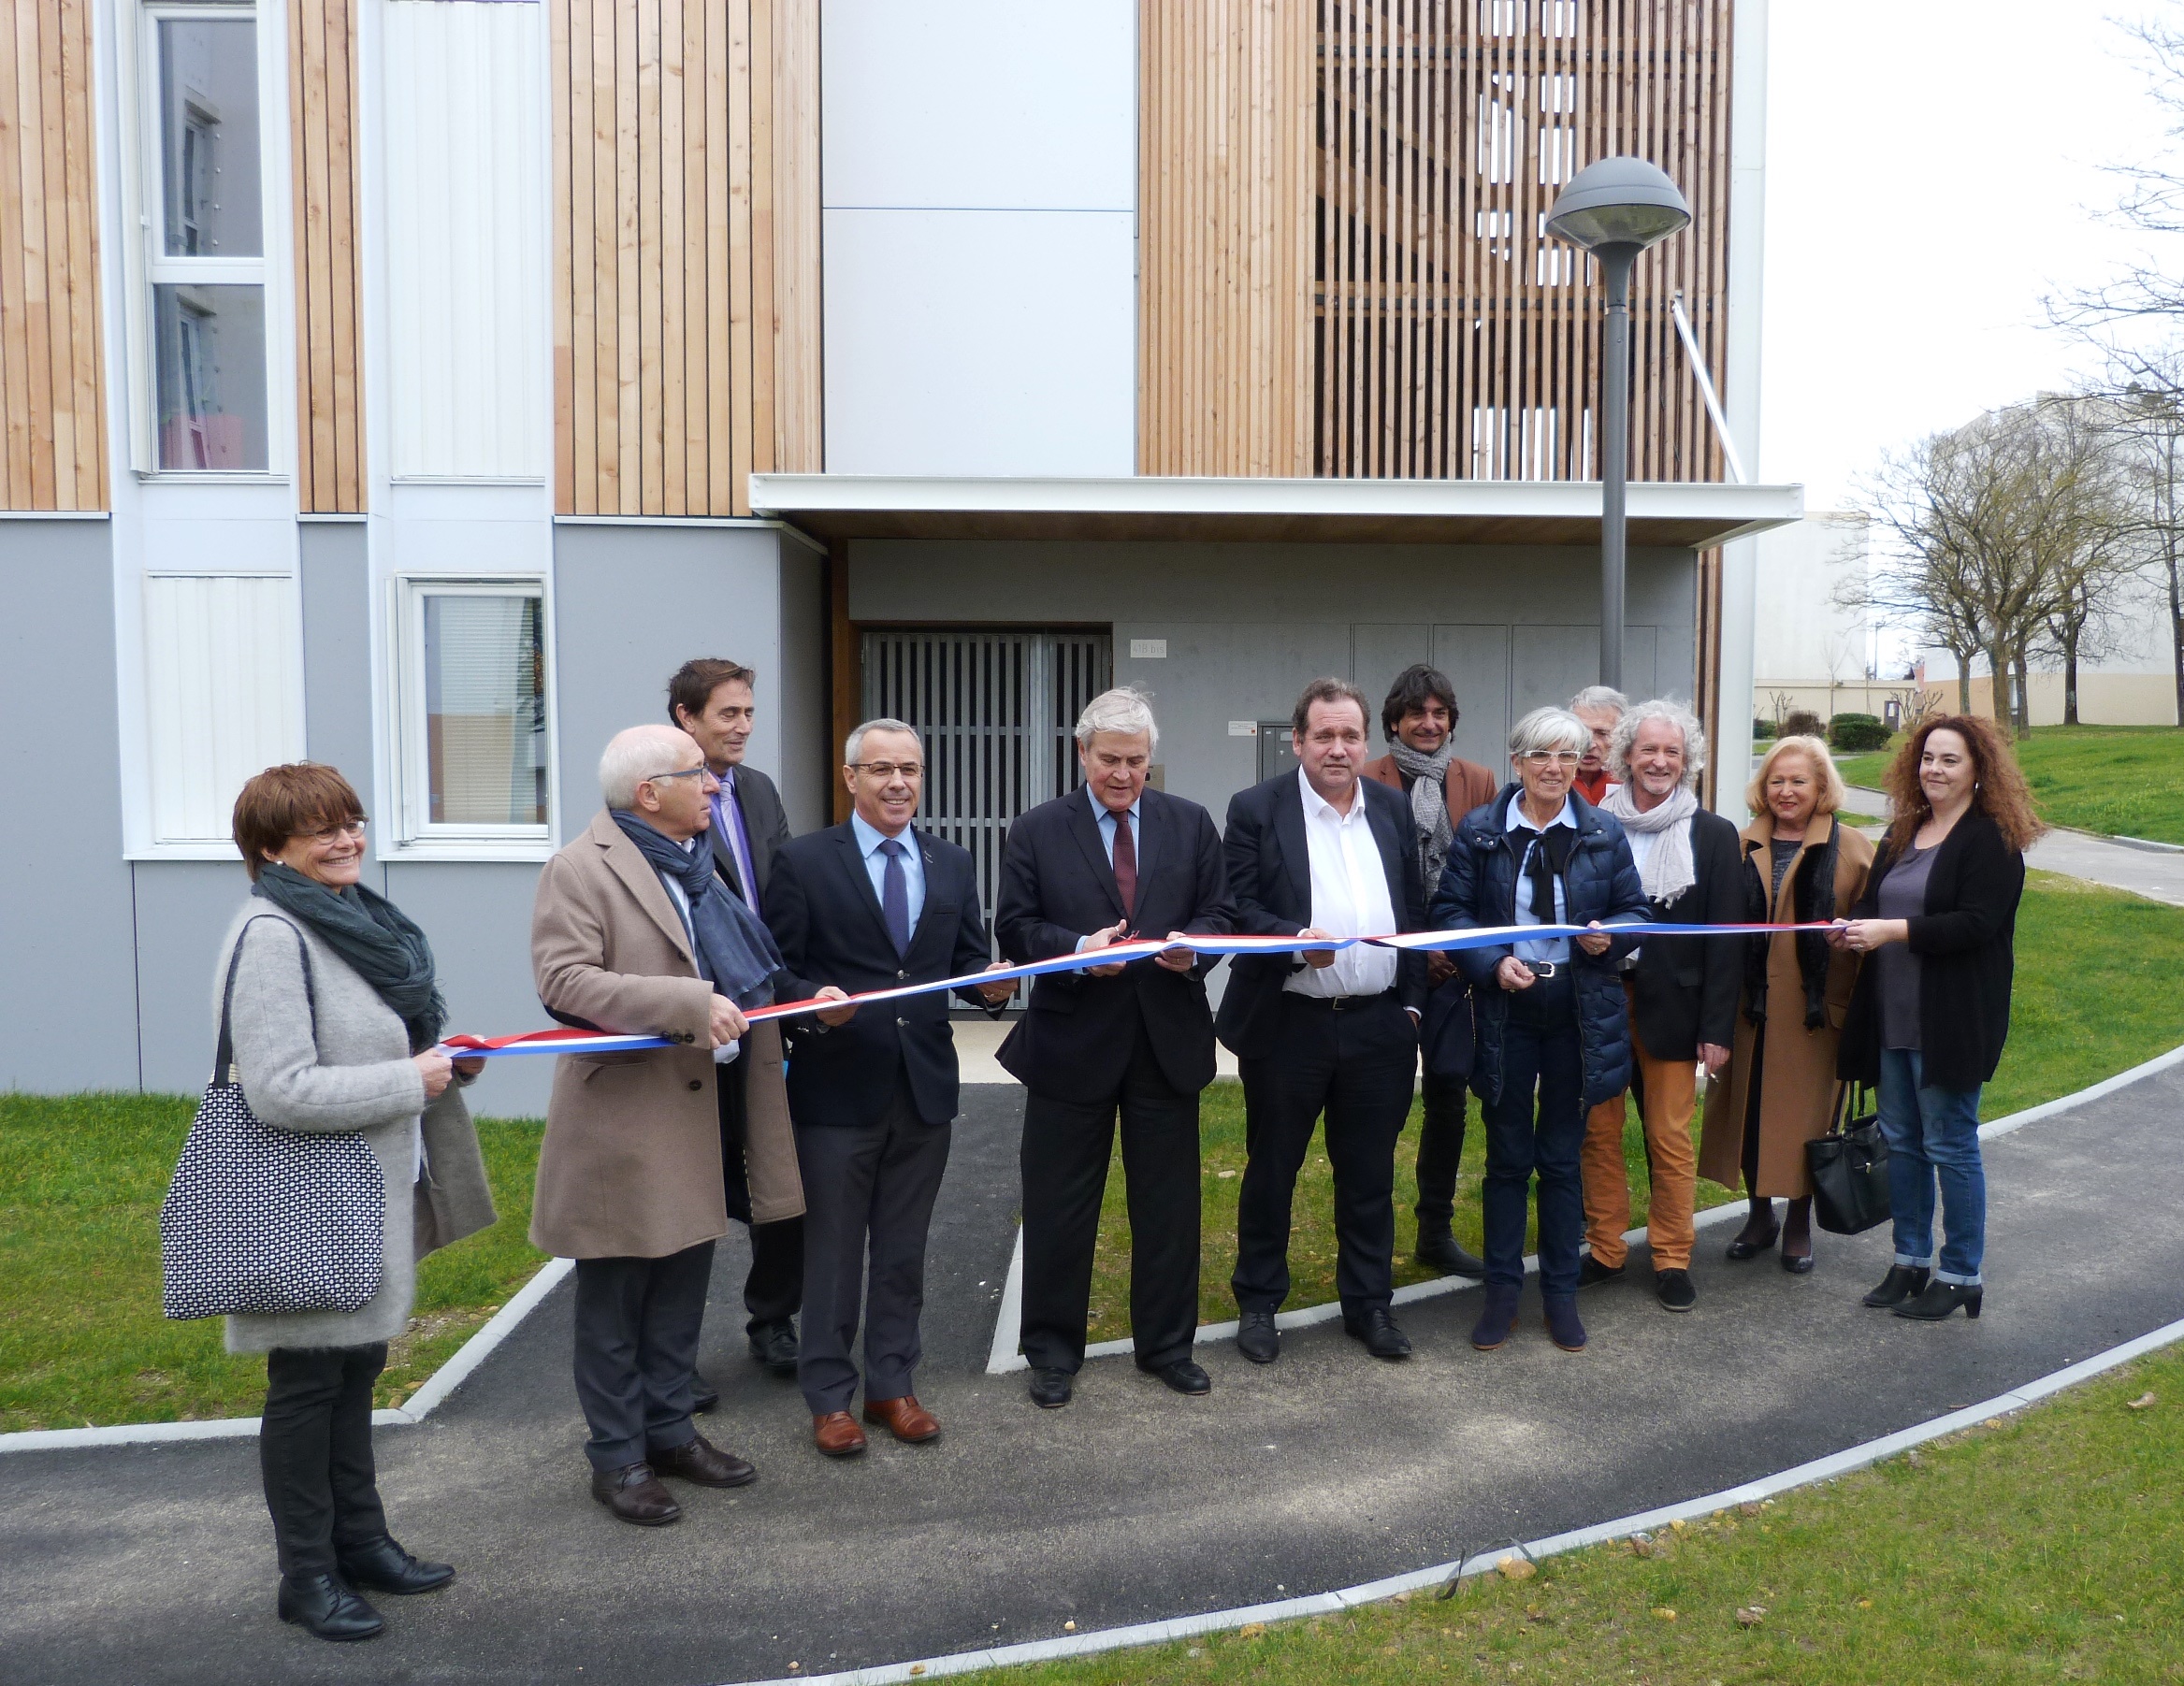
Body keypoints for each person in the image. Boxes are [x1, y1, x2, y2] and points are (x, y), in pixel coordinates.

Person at [218, 763, 495, 1641]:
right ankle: (306, 1573)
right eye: (320, 830)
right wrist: (411, 1076)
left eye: (352, 821)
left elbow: (373, 1038)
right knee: (306, 1381)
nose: (347, 840)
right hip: (307, 1200)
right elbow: (279, 1088)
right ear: (271, 850)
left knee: (354, 1367)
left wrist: (443, 1056)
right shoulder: (272, 933)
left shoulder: (352, 920)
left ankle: (361, 1542)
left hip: (366, 1191)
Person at [531, 725, 813, 1526]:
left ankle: (670, 1432)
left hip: (704, 1105)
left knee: (683, 1281)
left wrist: (803, 997)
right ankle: (616, 1457)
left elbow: (744, 961)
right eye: (698, 775)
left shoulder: (699, 866)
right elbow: (563, 980)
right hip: (626, 1117)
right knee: (618, 1293)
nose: (716, 786)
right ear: (648, 791)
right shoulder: (580, 867)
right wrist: (687, 1005)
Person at [767, 719, 1018, 1456]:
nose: (898, 782)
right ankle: (827, 1398)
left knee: (904, 1251)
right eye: (880, 768)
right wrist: (812, 998)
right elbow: (775, 970)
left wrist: (995, 990)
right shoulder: (805, 861)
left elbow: (966, 964)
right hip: (835, 1091)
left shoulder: (951, 862)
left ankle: (891, 1387)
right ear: (850, 778)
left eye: (909, 768)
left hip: (923, 1092)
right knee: (834, 1253)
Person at [995, 688, 1235, 1407]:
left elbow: (1219, 913)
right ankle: (1051, 1353)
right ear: (1081, 753)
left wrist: (1193, 953)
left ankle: (1166, 1346)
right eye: (1109, 760)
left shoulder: (1190, 824)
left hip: (1165, 1039)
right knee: (1060, 1205)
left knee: (1167, 1207)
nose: (1123, 774)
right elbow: (1015, 925)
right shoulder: (1037, 829)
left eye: (1136, 761)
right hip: (1073, 1041)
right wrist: (1073, 950)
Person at [1218, 678, 1427, 1365]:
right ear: (1299, 740)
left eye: (1350, 736)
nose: (1338, 748)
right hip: (1288, 1024)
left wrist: (1411, 1007)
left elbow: (1414, 915)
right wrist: (1288, 937)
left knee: (1367, 1174)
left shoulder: (1393, 810)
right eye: (1323, 735)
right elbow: (1237, 904)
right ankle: (1257, 1302)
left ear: (1366, 741)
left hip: (1377, 1026)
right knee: (1272, 1168)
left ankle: (1368, 1305)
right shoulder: (1256, 808)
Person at [1432, 707, 1649, 1354]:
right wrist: (1490, 964)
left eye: (1566, 756)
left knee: (1559, 1160)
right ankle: (1501, 1291)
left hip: (1576, 1010)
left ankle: (1559, 1292)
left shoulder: (1604, 832)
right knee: (1506, 1159)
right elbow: (1450, 912)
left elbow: (1634, 911)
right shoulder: (1479, 832)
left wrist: (1610, 940)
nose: (1553, 768)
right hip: (1506, 1008)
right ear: (1517, 762)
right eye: (1539, 755)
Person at [1834, 714, 2041, 1321]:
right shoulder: (1903, 831)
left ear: (1978, 768)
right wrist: (1853, 927)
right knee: (1901, 1142)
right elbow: (1874, 899)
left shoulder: (1992, 839)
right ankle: (1908, 1260)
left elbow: (1975, 924)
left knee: (1948, 1143)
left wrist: (1890, 930)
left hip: (1951, 1020)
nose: (1934, 769)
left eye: (1949, 759)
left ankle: (1959, 1274)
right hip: (1892, 1014)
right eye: (1927, 757)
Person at [1581, 700, 1743, 1311]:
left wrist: (1715, 1028)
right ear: (1625, 755)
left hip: (1675, 1011)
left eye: (1670, 751)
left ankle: (1672, 1255)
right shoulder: (1591, 824)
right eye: (1647, 749)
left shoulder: (1712, 834)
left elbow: (1725, 943)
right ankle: (1604, 1247)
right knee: (1597, 1132)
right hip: (1598, 999)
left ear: (1686, 760)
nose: (1658, 760)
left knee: (1668, 1136)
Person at [668, 658, 803, 1391]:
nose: (744, 727)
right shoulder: (655, 793)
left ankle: (773, 1319)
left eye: (748, 712)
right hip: (695, 1025)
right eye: (727, 714)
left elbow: (777, 891)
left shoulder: (757, 789)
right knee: (696, 1185)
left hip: (769, 1011)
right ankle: (673, 1357)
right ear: (686, 718)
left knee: (782, 1170)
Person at [1698, 735, 1873, 1275]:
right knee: (1748, 1118)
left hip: (1815, 1016)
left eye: (1799, 780)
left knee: (1804, 1123)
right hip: (1749, 1011)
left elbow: (1872, 930)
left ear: (1822, 786)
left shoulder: (1854, 849)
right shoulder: (1739, 843)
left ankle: (1798, 1222)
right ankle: (1759, 1215)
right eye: (1776, 780)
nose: (1786, 791)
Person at [1361, 663, 1497, 1279]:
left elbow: (1490, 877)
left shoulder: (1479, 780)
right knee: (1377, 1106)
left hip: (1456, 972)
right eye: (1416, 713)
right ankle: (1367, 1237)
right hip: (1389, 968)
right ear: (1394, 720)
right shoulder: (1365, 781)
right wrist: (1416, 949)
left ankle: (1433, 1232)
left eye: (1439, 713)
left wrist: (1457, 950)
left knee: (1448, 1097)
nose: (1428, 723)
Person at [1567, 685, 1628, 805]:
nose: (1590, 745)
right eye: (1581, 732)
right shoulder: (1553, 777)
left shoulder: (1635, 783)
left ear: (1621, 735)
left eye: (1601, 733)